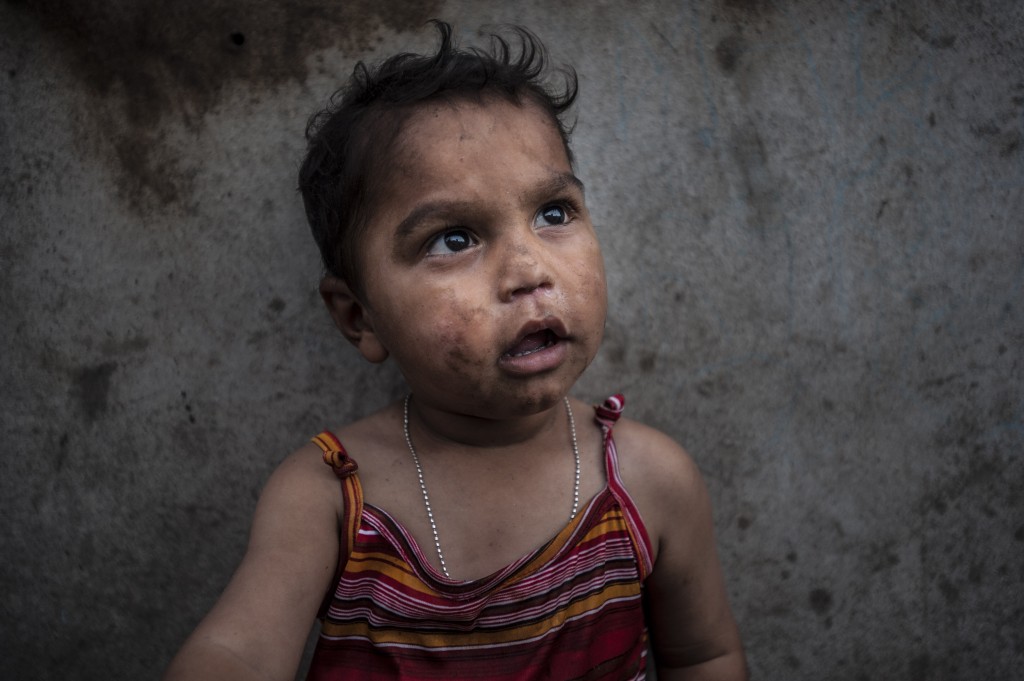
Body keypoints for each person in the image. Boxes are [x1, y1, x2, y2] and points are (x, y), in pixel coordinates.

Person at [164, 20, 746, 681]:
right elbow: (237, 651)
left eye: (555, 213)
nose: (528, 269)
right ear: (360, 317)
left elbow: (706, 655)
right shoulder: (329, 496)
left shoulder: (648, 480)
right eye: (454, 238)